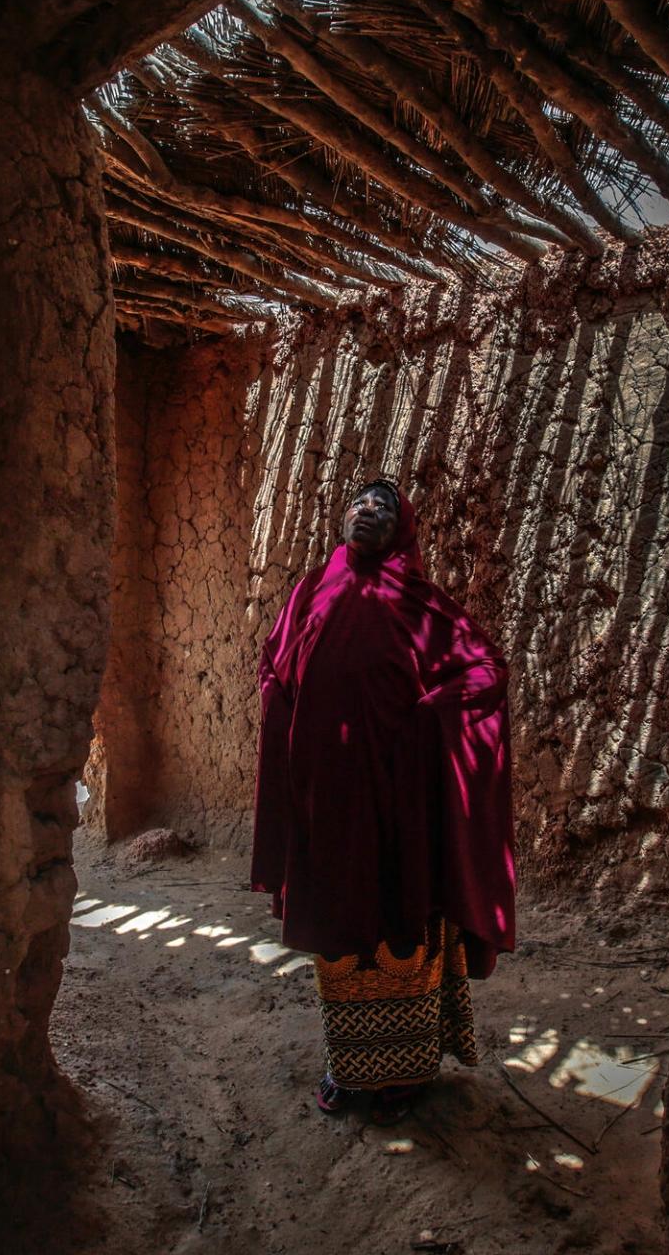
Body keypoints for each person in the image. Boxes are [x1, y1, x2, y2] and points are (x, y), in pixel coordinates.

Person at [251, 478, 516, 1125]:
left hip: (399, 799)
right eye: (359, 503)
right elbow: (274, 662)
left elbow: (485, 669)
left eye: (383, 506)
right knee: (339, 932)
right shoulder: (313, 588)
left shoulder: (419, 599)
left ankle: (406, 1071)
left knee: (403, 924)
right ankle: (349, 1066)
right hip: (329, 799)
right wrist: (280, 703)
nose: (367, 511)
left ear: (403, 528)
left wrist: (432, 717)